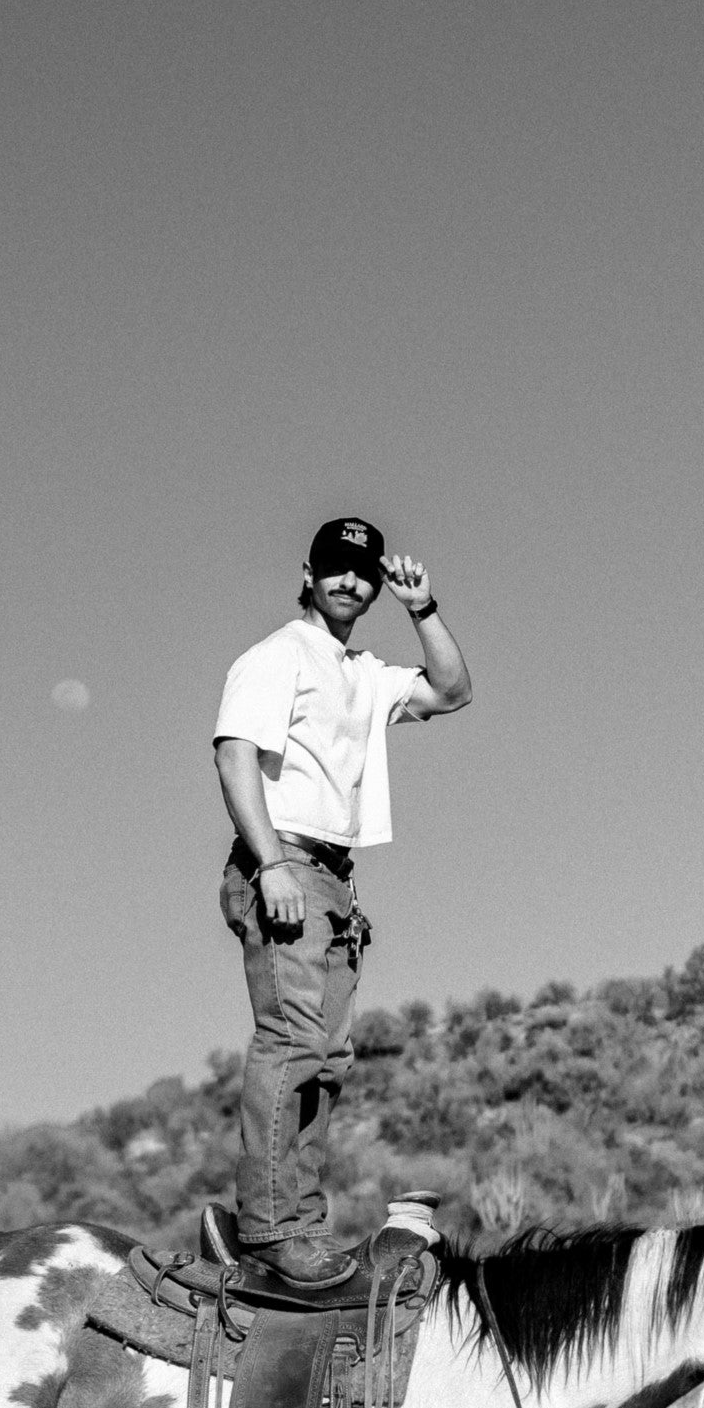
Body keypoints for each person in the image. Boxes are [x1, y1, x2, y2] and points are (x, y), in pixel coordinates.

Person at [211, 516, 472, 1289]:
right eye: (335, 569)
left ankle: (301, 1219)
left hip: (333, 878)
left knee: (328, 1057)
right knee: (292, 1041)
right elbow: (234, 757)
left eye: (361, 573)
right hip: (284, 858)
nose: (349, 582)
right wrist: (270, 867)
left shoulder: (363, 671)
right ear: (309, 572)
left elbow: (453, 691)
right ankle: (268, 1227)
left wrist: (424, 610)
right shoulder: (276, 656)